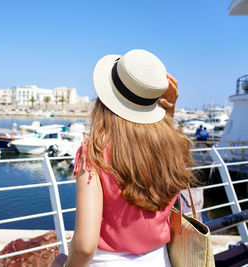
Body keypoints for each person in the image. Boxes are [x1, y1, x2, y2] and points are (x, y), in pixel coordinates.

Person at [52, 49, 194, 266]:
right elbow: (158, 141)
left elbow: (84, 246)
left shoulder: (95, 151)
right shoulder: (175, 146)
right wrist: (168, 112)